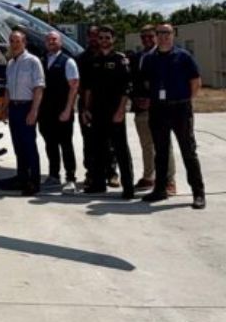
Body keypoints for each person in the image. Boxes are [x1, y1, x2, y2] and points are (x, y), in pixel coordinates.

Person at [141, 24, 206, 209]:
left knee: (188, 151)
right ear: (156, 36)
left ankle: (198, 193)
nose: (163, 37)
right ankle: (160, 189)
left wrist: (187, 101)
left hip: (180, 109)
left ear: (173, 35)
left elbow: (195, 81)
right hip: (158, 110)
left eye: (167, 33)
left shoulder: (183, 56)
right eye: (160, 33)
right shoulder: (149, 59)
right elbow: (146, 82)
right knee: (160, 152)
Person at [81, 26, 134, 199]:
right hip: (97, 112)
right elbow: (88, 88)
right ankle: (98, 184)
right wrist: (86, 109)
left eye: (107, 38)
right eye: (101, 38)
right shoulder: (94, 60)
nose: (104, 40)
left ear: (113, 40)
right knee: (98, 149)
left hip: (115, 112)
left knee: (120, 150)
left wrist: (121, 111)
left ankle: (128, 188)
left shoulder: (120, 60)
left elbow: (127, 88)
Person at [130, 25, 176, 194]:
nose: (147, 39)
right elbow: (133, 82)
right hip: (140, 109)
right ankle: (149, 176)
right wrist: (136, 99)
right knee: (146, 145)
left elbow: (169, 83)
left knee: (164, 145)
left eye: (150, 36)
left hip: (161, 108)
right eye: (144, 37)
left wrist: (153, 100)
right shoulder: (137, 57)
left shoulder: (166, 56)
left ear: (157, 36)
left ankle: (169, 181)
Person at [3, 29, 44, 196]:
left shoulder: (33, 61)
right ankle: (22, 178)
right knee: (18, 146)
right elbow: (7, 88)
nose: (14, 44)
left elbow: (39, 88)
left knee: (29, 146)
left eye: (18, 41)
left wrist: (34, 111)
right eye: (12, 41)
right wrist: (5, 108)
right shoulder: (10, 63)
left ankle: (34, 182)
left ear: (24, 42)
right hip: (14, 108)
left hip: (27, 107)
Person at [39, 30, 79, 193]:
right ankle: (54, 175)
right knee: (50, 145)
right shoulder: (41, 61)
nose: (51, 42)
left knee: (66, 145)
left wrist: (68, 109)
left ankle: (70, 178)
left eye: (54, 39)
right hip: (45, 112)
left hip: (62, 111)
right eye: (48, 40)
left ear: (60, 42)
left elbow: (74, 86)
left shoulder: (68, 62)